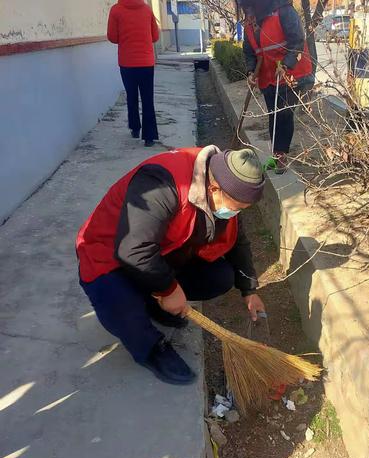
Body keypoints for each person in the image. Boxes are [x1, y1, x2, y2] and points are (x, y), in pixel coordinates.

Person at [76, 146, 267, 385]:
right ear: (214, 188)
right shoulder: (161, 183)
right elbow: (132, 250)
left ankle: (153, 304)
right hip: (110, 256)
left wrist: (249, 290)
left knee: (219, 277)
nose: (234, 213)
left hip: (159, 252)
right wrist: (169, 289)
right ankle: (152, 350)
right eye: (236, 208)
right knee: (124, 313)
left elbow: (238, 240)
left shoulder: (224, 181)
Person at [241, 0, 314, 173]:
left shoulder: (284, 12)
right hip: (268, 77)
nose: (248, 13)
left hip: (291, 74)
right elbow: (249, 52)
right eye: (246, 10)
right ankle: (276, 153)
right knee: (273, 115)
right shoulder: (249, 25)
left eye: (251, 8)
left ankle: (281, 155)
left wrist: (286, 65)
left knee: (284, 113)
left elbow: (296, 41)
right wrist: (251, 72)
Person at [107, 0, 159, 147]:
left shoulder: (116, 10)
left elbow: (112, 37)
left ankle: (135, 128)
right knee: (148, 98)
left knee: (131, 96)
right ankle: (149, 137)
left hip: (127, 63)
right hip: (146, 63)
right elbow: (155, 36)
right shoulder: (147, 10)